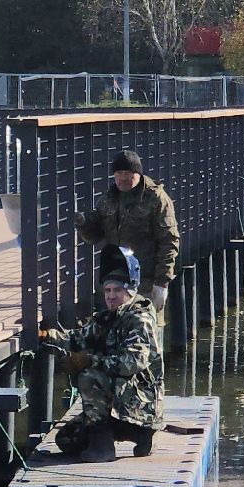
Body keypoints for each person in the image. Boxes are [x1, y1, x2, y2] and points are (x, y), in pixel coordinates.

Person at [39, 249, 164, 463]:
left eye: (117, 290)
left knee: (89, 376)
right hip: (119, 397)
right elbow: (77, 338)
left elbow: (133, 362)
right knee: (67, 440)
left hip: (141, 402)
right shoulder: (108, 318)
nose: (111, 296)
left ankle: (105, 446)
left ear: (130, 290)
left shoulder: (140, 319)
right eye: (107, 290)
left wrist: (89, 361)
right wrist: (44, 336)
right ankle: (137, 434)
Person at [74, 149, 180, 312]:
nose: (123, 178)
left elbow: (169, 241)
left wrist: (161, 283)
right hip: (115, 281)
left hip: (145, 283)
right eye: (119, 173)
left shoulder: (155, 198)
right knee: (116, 326)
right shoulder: (109, 198)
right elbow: (94, 236)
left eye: (128, 174)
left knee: (144, 324)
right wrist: (83, 223)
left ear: (138, 174)